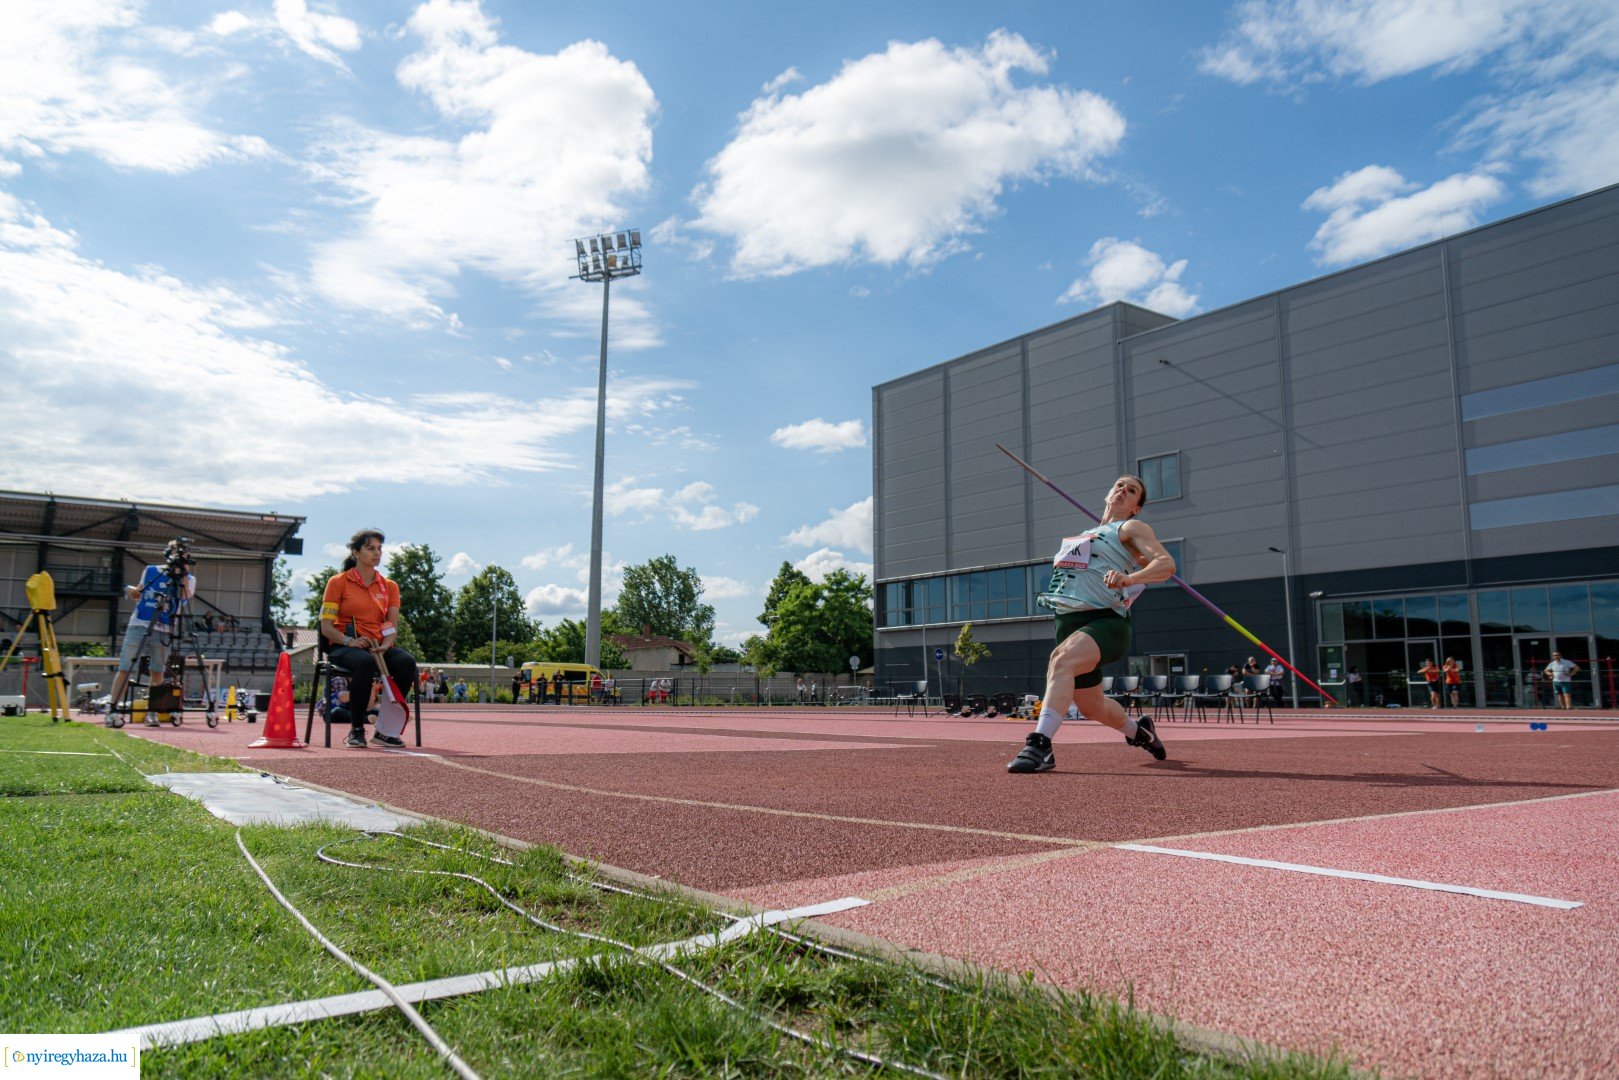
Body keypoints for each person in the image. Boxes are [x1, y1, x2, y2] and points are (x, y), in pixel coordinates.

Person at [1008, 475, 1176, 774]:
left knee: (1061, 660)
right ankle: (1140, 732)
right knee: (1091, 706)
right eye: (1119, 485)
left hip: (1105, 621)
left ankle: (1040, 745)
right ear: (1109, 492)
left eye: (1132, 490)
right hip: (1069, 622)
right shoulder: (1085, 535)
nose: (1123, 490)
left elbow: (1165, 564)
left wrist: (1130, 578)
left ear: (1136, 508)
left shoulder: (1130, 528)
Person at [320, 528, 417, 748]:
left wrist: (386, 645)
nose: (377, 553)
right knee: (365, 662)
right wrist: (349, 641)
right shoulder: (337, 582)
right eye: (370, 548)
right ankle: (356, 730)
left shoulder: (390, 586)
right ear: (356, 552)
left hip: (378, 645)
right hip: (344, 645)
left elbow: (391, 625)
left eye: (379, 548)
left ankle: (385, 730)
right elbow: (326, 627)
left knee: (406, 662)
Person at [105, 539, 196, 727]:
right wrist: (131, 592)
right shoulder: (151, 570)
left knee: (157, 671)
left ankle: (152, 713)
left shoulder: (189, 579)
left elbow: (184, 597)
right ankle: (113, 709)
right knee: (125, 667)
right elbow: (139, 593)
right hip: (139, 623)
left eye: (184, 555)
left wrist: (183, 574)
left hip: (164, 629)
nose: (180, 557)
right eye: (177, 553)